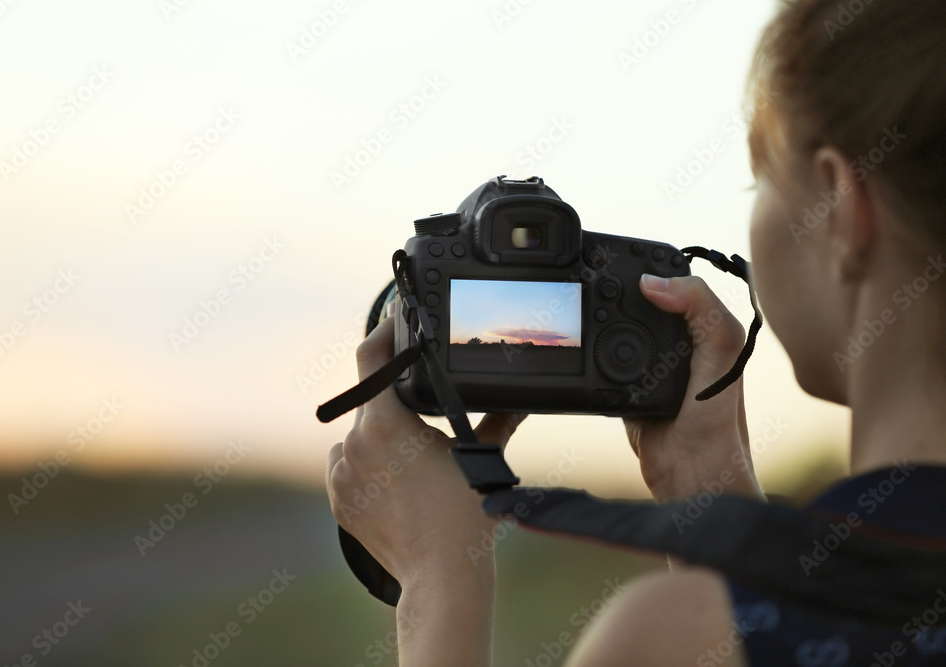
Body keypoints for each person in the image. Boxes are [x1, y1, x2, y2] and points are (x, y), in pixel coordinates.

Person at [325, 0, 946, 663]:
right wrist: (711, 490)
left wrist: (439, 576)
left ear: (839, 210)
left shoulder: (666, 638)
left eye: (758, 184)